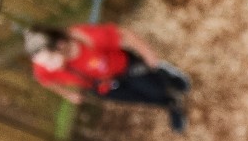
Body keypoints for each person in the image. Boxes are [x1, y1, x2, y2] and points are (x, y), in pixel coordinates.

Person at [26, 22, 192, 133]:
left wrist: (148, 55)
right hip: (104, 87)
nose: (47, 67)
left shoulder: (89, 39)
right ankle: (171, 104)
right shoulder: (43, 66)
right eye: (42, 63)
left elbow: (125, 36)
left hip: (126, 68)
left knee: (155, 87)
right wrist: (67, 94)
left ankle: (167, 74)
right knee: (144, 98)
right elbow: (44, 80)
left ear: (61, 45)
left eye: (49, 60)